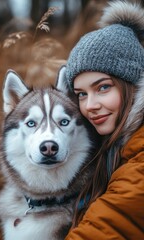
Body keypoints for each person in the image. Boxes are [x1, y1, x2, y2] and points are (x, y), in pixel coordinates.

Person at [62, 0, 144, 239]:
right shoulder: (111, 148)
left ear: (133, 85)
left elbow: (105, 227)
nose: (90, 106)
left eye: (103, 87)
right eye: (81, 94)